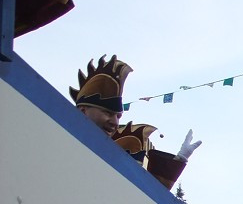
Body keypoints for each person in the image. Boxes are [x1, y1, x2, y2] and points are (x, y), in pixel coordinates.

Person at [70, 55, 202, 190]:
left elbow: (148, 192)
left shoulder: (112, 157)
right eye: (107, 113)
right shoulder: (61, 135)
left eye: (118, 116)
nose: (114, 122)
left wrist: (181, 159)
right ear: (83, 110)